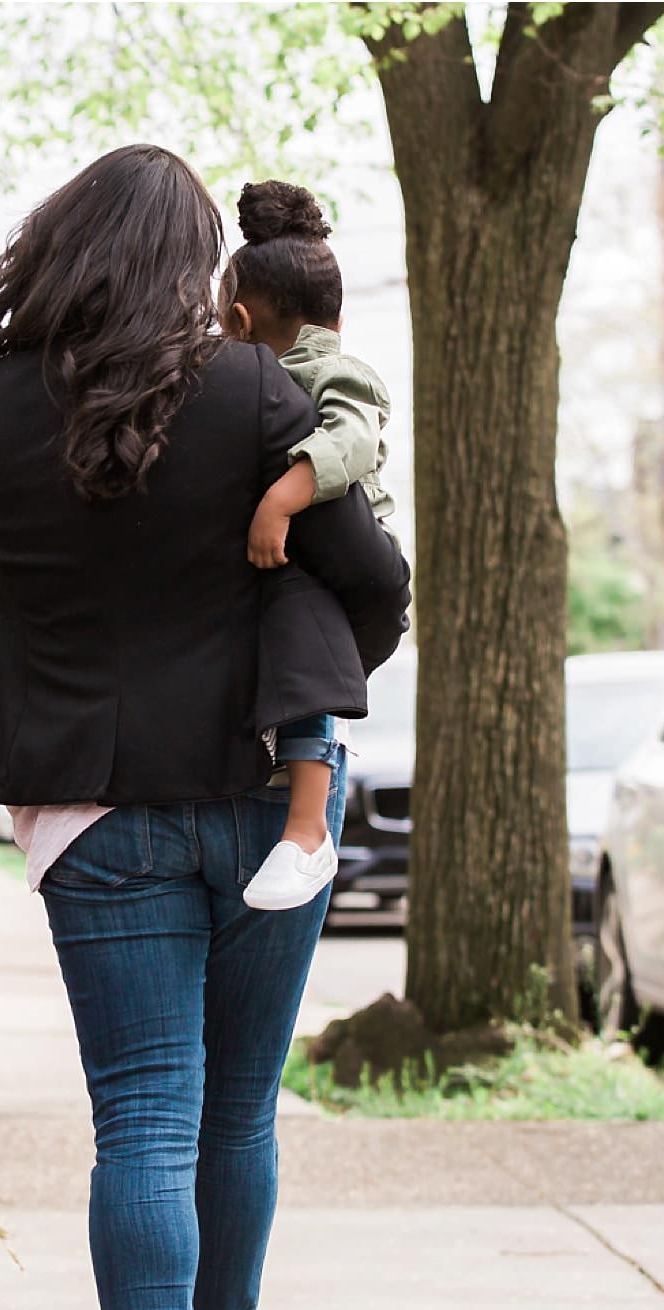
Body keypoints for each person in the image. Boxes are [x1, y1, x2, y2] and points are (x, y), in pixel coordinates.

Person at [0, 144, 410, 1310]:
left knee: (140, 1116)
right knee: (236, 1111)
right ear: (193, 264)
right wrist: (313, 665)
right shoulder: (250, 390)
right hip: (265, 791)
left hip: (90, 809)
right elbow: (374, 578)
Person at [220, 180, 400, 911]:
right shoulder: (261, 378)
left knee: (305, 644)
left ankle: (307, 830)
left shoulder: (336, 374)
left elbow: (351, 442)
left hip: (339, 570)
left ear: (236, 319)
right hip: (290, 565)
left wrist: (280, 499)